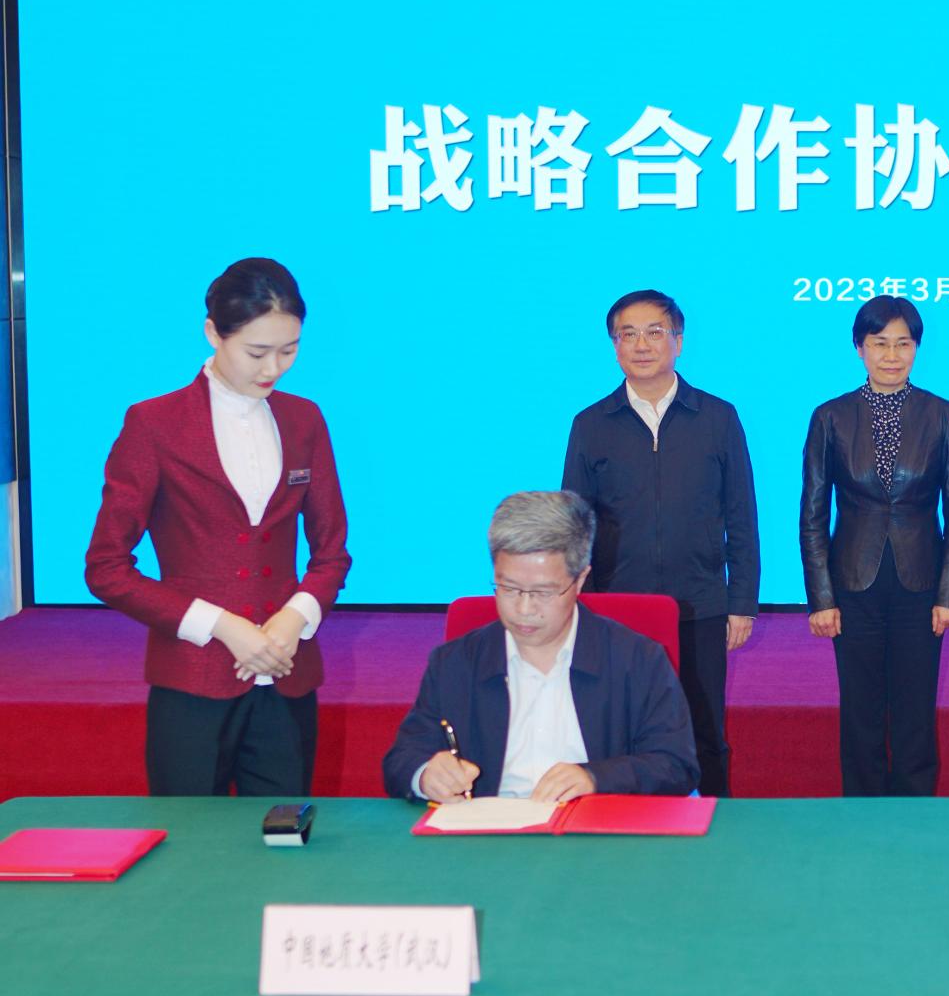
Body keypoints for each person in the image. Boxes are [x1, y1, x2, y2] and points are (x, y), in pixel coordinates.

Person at [84, 257, 351, 796]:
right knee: (187, 837)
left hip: (286, 672)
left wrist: (294, 618)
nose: (273, 368)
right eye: (256, 352)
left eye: (289, 350)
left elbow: (332, 553)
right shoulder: (154, 424)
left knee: (282, 834)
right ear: (213, 333)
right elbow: (106, 568)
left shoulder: (305, 419)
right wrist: (223, 626)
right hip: (191, 677)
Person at [562, 288, 758, 797]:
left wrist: (741, 602)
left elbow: (741, 514)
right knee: (619, 727)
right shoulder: (591, 424)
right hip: (618, 606)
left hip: (699, 604)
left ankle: (715, 821)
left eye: (654, 332)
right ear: (614, 346)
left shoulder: (717, 417)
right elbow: (574, 523)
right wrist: (580, 603)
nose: (641, 344)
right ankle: (621, 823)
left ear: (678, 341)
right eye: (627, 334)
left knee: (705, 728)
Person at [382, 490, 698, 802]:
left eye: (543, 593)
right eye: (509, 588)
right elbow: (403, 759)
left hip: (594, 827)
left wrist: (596, 777)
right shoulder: (455, 662)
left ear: (580, 580)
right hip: (488, 829)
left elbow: (676, 766)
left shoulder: (637, 660)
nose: (524, 609)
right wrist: (425, 774)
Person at [800, 295, 949, 796]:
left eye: (903, 344)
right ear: (860, 348)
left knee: (916, 705)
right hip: (853, 582)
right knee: (860, 706)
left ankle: (915, 811)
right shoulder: (830, 417)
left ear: (917, 348)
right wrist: (821, 598)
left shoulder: (943, 415)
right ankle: (862, 809)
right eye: (880, 344)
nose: (892, 355)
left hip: (922, 583)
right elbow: (812, 514)